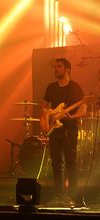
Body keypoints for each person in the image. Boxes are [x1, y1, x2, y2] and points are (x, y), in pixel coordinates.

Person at [40, 58, 87, 206]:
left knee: (71, 163)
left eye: (59, 67)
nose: (56, 69)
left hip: (70, 129)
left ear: (67, 69)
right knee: (56, 164)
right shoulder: (51, 87)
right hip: (55, 130)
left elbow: (83, 109)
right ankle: (59, 196)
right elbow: (44, 107)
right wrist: (46, 120)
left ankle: (71, 197)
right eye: (55, 67)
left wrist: (72, 116)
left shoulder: (76, 88)